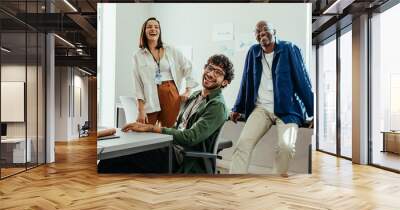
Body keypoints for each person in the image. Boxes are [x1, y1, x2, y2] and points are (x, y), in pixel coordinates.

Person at [97, 54, 234, 173]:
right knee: (115, 159)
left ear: (225, 82)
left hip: (183, 158)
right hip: (170, 148)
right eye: (209, 68)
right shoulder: (195, 96)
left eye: (218, 72)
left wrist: (153, 128)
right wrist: (148, 130)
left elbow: (190, 137)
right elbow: (179, 127)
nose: (210, 74)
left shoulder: (217, 106)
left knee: (117, 158)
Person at [229, 21, 314, 177]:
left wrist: (313, 110)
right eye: (257, 31)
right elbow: (246, 82)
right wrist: (237, 108)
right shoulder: (253, 52)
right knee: (243, 144)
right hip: (261, 108)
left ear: (274, 31)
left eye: (265, 29)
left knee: (286, 147)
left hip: (287, 109)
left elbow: (302, 81)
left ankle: (275, 182)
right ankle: (235, 180)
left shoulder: (289, 49)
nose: (262, 33)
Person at [133, 17, 198, 128]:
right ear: (144, 31)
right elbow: (137, 83)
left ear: (159, 31)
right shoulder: (138, 55)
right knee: (144, 130)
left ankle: (166, 146)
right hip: (149, 96)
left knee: (167, 131)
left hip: (170, 92)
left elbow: (188, 67)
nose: (153, 29)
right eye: (149, 27)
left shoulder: (170, 50)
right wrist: (141, 109)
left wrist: (188, 91)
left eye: (156, 27)